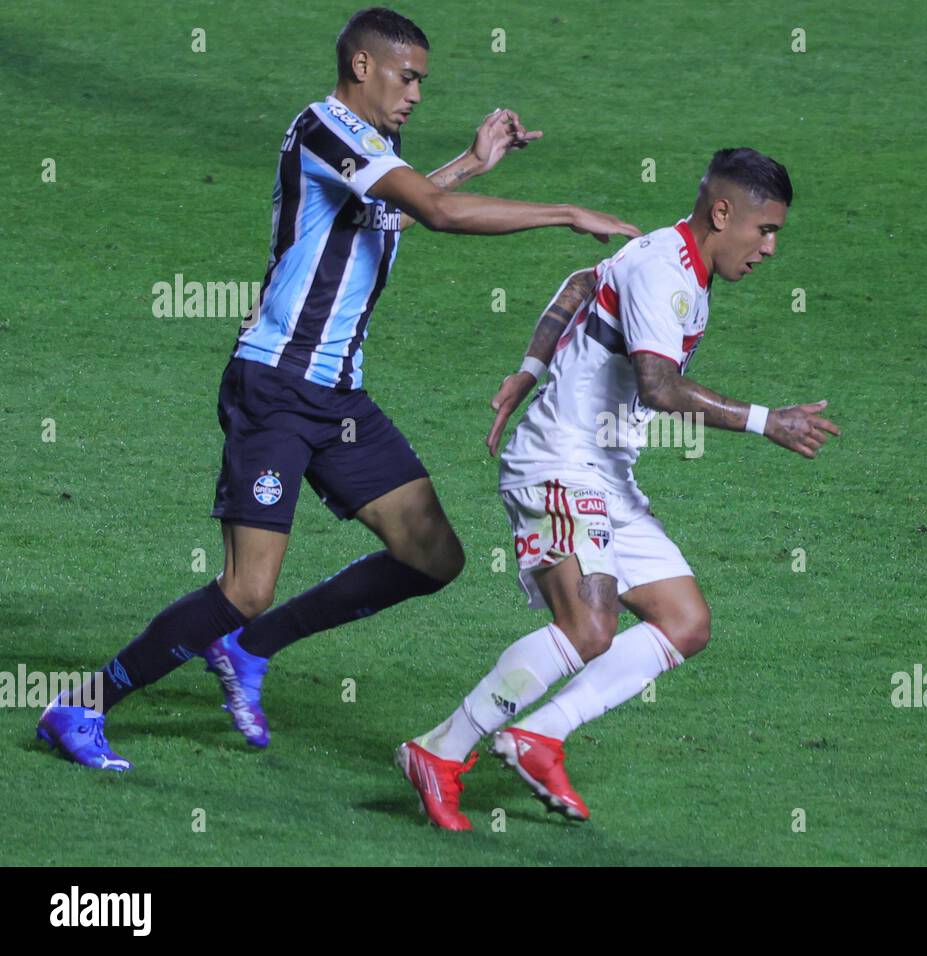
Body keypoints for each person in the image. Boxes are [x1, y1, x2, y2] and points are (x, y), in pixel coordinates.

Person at [37, 6, 639, 771]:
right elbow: (437, 213)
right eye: (409, 76)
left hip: (340, 399)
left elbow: (399, 211)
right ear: (363, 66)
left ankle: (250, 650)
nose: (417, 92)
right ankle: (80, 707)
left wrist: (471, 164)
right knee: (245, 585)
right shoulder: (324, 127)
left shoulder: (375, 143)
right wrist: (566, 212)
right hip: (277, 388)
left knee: (432, 556)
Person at [395, 148, 839, 829]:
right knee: (589, 626)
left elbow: (580, 280)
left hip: (606, 473)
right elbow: (659, 388)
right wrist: (764, 422)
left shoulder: (667, 255)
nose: (771, 248)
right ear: (723, 212)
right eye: (765, 230)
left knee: (685, 623)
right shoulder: (665, 270)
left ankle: (539, 736)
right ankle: (441, 750)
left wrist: (530, 365)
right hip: (557, 465)